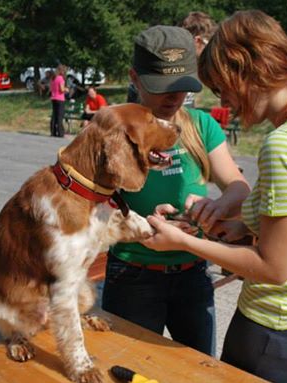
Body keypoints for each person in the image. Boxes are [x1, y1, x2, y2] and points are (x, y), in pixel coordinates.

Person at [140, 10, 287, 383]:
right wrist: (242, 226)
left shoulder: (285, 145)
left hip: (275, 326)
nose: (225, 102)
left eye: (222, 88)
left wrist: (184, 241)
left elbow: (274, 268)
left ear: (243, 71)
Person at [101, 25, 250, 357]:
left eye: (181, 86)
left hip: (192, 274)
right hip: (132, 276)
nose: (173, 98)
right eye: (162, 87)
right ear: (135, 79)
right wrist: (135, 224)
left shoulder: (201, 125)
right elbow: (88, 208)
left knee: (197, 374)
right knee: (129, 373)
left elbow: (239, 187)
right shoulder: (112, 129)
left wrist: (219, 205)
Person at [179, 11, 218, 108]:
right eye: (208, 45)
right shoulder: (176, 68)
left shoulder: (192, 66)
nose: (212, 52)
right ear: (197, 41)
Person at [49, 64, 67, 137]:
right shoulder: (60, 78)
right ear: (61, 71)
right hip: (60, 98)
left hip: (53, 98)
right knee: (60, 116)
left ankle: (53, 131)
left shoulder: (53, 78)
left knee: (54, 115)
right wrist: (66, 89)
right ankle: (60, 132)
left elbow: (51, 88)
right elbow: (62, 89)